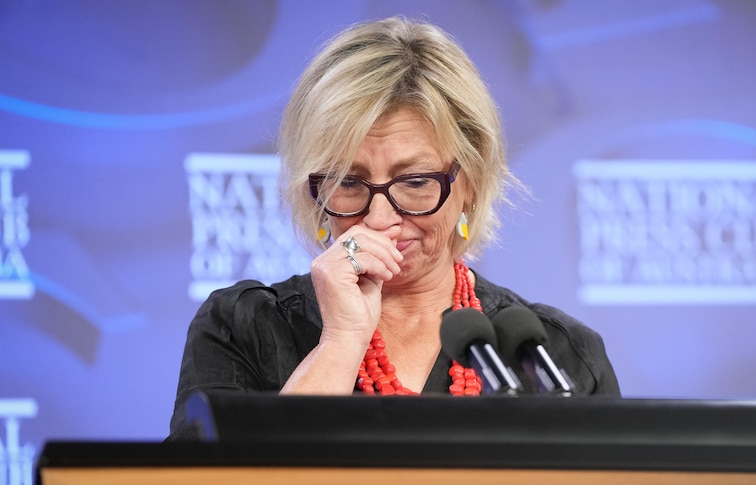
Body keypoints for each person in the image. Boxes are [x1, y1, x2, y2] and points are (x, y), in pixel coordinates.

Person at [168, 16, 619, 440]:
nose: (380, 218)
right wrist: (342, 340)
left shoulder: (553, 354)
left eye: (417, 182)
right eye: (348, 181)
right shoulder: (241, 327)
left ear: (472, 182)